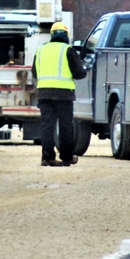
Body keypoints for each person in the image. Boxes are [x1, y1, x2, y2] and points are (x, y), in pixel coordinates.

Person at [32, 21, 87, 167]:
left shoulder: (41, 50)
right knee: (65, 126)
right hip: (63, 95)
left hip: (44, 93)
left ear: (51, 35)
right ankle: (67, 157)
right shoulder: (68, 50)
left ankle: (47, 157)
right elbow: (79, 74)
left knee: (47, 125)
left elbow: (35, 72)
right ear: (66, 35)